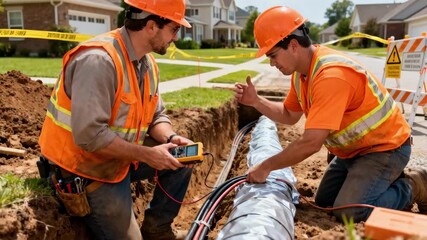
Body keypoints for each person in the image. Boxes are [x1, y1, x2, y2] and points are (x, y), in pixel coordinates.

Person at [234, 6, 427, 222]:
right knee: (325, 202)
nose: (271, 63)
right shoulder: (302, 75)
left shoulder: (331, 76)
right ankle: (378, 183)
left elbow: (311, 143)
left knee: (350, 213)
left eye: (273, 55)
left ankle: (413, 185)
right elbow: (289, 115)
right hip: (352, 152)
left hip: (385, 149)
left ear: (293, 45)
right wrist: (256, 101)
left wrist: (267, 166)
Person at [38, 0, 193, 239]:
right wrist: (148, 155)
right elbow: (89, 136)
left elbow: (156, 117)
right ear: (151, 26)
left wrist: (170, 138)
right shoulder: (99, 61)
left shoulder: (147, 64)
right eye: (174, 29)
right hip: (83, 168)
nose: (175, 38)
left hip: (118, 157)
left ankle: (157, 230)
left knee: (180, 162)